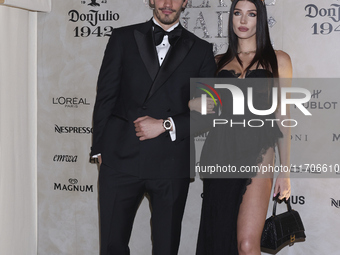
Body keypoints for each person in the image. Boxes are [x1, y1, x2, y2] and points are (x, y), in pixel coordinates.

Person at [90, 0, 216, 254]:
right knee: (112, 245)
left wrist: (165, 125)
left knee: (166, 247)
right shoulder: (122, 38)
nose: (168, 4)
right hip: (120, 158)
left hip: (171, 162)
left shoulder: (201, 50)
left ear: (185, 1)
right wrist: (99, 150)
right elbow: (105, 96)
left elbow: (209, 112)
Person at [190, 0, 292, 254]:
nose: (243, 20)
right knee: (220, 241)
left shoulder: (278, 60)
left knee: (247, 245)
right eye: (237, 13)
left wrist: (285, 171)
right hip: (219, 154)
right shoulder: (216, 62)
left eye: (251, 14)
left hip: (259, 155)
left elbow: (283, 116)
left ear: (261, 19)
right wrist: (195, 103)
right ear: (231, 18)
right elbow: (199, 107)